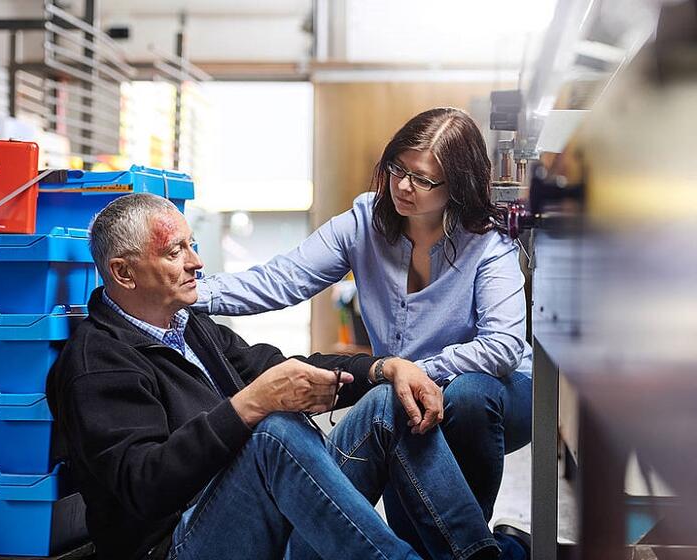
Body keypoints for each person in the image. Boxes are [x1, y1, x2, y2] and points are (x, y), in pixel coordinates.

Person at [46, 193, 526, 560]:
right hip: (180, 545)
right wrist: (249, 406)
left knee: (385, 402)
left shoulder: (187, 325)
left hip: (260, 519)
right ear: (123, 273)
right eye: (175, 252)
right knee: (273, 434)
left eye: (192, 245)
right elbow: (145, 488)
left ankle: (476, 554)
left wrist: (386, 367)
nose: (197, 261)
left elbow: (276, 366)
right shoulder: (97, 362)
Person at [194, 107, 533, 551]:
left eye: (424, 179)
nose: (404, 186)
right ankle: (501, 549)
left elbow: (503, 347)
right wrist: (189, 292)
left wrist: (411, 369)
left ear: (459, 186)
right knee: (416, 524)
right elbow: (281, 280)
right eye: (397, 169)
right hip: (405, 401)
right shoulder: (363, 224)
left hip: (500, 394)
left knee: (465, 393)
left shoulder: (488, 243)